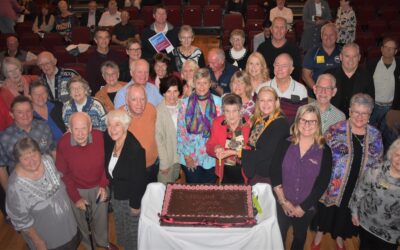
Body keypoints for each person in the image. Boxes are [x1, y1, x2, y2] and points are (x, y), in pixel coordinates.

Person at [311, 93, 384, 250]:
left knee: (345, 213)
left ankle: (339, 236)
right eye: (356, 111)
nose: (359, 116)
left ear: (370, 115)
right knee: (327, 212)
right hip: (333, 183)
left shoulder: (375, 135)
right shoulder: (335, 130)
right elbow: (321, 154)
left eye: (364, 113)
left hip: (358, 185)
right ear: (350, 111)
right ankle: (319, 233)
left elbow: (378, 163)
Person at [271, 104, 332, 250]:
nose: (307, 125)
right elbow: (274, 171)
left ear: (318, 124)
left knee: (299, 236)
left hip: (306, 208)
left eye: (312, 121)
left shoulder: (325, 150)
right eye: (303, 120)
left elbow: (323, 183)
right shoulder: (285, 143)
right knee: (279, 234)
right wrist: (283, 201)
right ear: (297, 122)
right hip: (282, 202)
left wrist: (303, 207)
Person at [56, 112, 117, 250]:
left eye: (84, 128)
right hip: (76, 188)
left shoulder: (101, 137)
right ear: (69, 129)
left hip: (98, 185)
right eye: (76, 129)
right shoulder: (63, 144)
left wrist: (103, 185)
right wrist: (76, 198)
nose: (80, 133)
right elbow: (64, 174)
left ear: (90, 127)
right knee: (82, 221)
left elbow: (108, 163)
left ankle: (103, 241)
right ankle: (89, 245)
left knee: (101, 218)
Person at [6, 137, 79, 250]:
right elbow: (20, 219)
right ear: (18, 160)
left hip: (69, 226)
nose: (32, 161)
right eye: (25, 158)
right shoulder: (15, 186)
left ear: (40, 152)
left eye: (34, 155)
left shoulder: (47, 160)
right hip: (49, 240)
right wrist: (38, 241)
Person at [104, 110, 146, 250]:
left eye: (117, 125)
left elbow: (139, 181)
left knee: (132, 231)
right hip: (116, 194)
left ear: (126, 126)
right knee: (120, 224)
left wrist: (135, 205)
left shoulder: (135, 149)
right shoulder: (110, 140)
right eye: (109, 125)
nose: (112, 129)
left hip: (130, 198)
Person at [349, 138, 400, 250]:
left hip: (390, 234)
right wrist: (354, 212)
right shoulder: (376, 171)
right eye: (398, 154)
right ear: (391, 154)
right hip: (366, 224)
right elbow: (360, 191)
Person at [0, 95, 56, 190]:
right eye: (20, 112)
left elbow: (53, 151)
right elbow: (1, 168)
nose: (25, 115)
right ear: (11, 114)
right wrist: (9, 191)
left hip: (50, 181)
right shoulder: (4, 137)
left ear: (32, 111)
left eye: (28, 111)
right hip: (23, 188)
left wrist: (55, 174)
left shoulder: (44, 127)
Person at [177, 68, 222, 183]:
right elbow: (181, 132)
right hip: (191, 155)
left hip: (211, 156)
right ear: (194, 84)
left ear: (210, 84)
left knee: (209, 193)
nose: (202, 87)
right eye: (198, 83)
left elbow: (221, 131)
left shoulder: (218, 102)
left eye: (205, 83)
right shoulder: (185, 103)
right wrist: (187, 156)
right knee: (193, 194)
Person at [242, 86, 290, 184]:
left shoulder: (281, 123)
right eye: (262, 100)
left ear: (276, 102)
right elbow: (252, 144)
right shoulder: (259, 118)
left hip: (268, 177)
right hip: (256, 170)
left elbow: (266, 153)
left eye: (269, 100)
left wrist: (238, 153)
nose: (265, 104)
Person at [206, 93, 251, 184]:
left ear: (241, 110)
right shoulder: (218, 122)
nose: (231, 115)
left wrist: (235, 152)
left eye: (234, 111)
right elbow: (209, 146)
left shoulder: (248, 123)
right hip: (224, 170)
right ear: (223, 111)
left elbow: (252, 151)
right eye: (227, 111)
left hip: (245, 171)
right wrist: (216, 148)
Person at [122, 84, 159, 184]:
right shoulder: (119, 117)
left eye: (142, 99)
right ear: (126, 100)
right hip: (132, 170)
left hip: (153, 165)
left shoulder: (151, 109)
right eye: (134, 99)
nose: (139, 104)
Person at [328, 43, 375, 117]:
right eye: (347, 56)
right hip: (332, 118)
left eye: (354, 56)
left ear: (359, 57)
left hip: (356, 120)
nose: (351, 60)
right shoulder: (329, 75)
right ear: (341, 57)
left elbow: (370, 103)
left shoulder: (367, 77)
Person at [261, 53, 308, 124]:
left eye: (284, 66)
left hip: (291, 132)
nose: (279, 69)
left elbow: (303, 117)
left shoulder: (301, 90)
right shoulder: (262, 88)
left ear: (291, 69)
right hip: (267, 129)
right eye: (277, 65)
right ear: (273, 66)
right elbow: (256, 115)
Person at [367, 37, 400, 129]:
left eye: (392, 48)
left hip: (391, 108)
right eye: (386, 47)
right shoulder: (371, 64)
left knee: (387, 135)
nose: (388, 50)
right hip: (373, 106)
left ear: (396, 51)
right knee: (369, 131)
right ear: (381, 49)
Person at [156, 76, 183, 184]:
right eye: (168, 91)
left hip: (181, 158)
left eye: (175, 91)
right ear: (163, 92)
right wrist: (164, 163)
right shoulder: (159, 111)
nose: (172, 95)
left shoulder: (183, 105)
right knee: (165, 190)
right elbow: (159, 139)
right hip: (168, 159)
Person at [257, 17, 302, 81]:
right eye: (276, 27)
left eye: (282, 27)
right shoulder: (262, 48)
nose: (279, 30)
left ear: (286, 30)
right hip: (266, 85)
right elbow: (258, 71)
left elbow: (296, 73)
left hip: (287, 85)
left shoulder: (294, 49)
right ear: (271, 29)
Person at [302, 23, 341, 95]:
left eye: (331, 35)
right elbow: (305, 76)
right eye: (325, 35)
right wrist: (317, 90)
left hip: (338, 94)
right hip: (316, 94)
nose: (328, 38)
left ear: (336, 36)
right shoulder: (312, 52)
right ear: (321, 36)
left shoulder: (343, 52)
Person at [87, 27, 124, 95]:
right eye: (100, 37)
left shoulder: (118, 56)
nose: (104, 40)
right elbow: (91, 83)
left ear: (109, 39)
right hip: (100, 94)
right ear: (95, 40)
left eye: (106, 37)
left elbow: (121, 77)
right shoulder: (91, 59)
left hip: (118, 92)